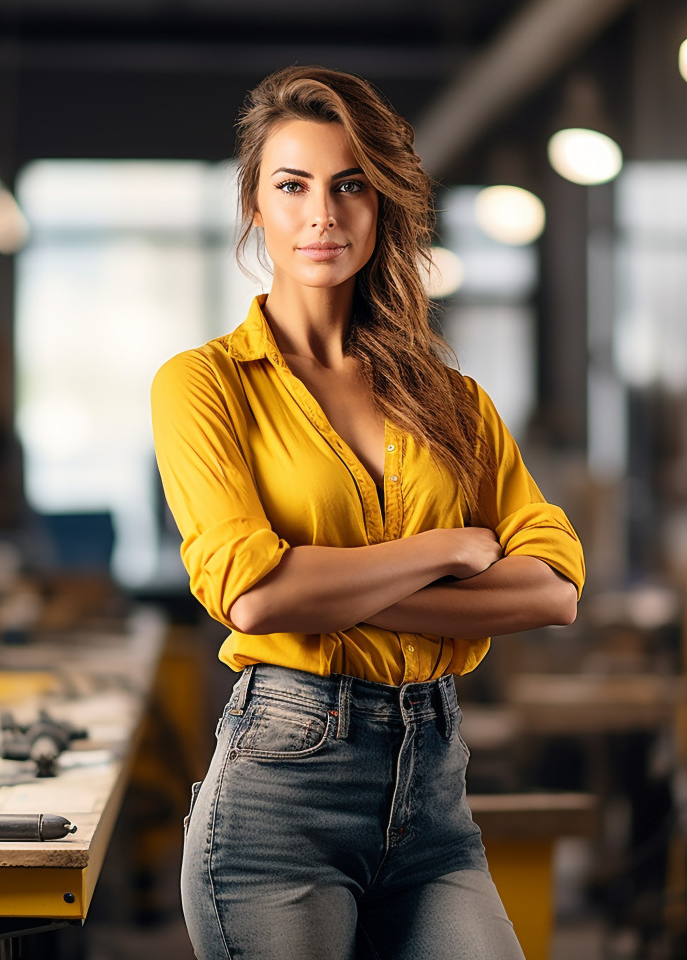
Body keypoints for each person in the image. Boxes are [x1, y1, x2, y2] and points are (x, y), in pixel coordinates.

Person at [151, 65, 585, 960]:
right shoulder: (203, 387)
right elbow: (254, 598)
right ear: (255, 209)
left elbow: (553, 588)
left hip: (435, 794)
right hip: (281, 797)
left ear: (381, 204)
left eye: (350, 185)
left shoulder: (451, 400)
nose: (323, 214)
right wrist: (448, 547)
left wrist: (329, 585)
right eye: (293, 185)